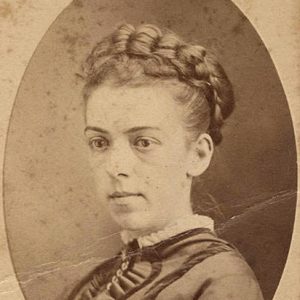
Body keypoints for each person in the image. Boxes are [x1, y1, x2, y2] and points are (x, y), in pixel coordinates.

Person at [68, 23, 264, 300]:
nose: (115, 167)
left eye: (143, 142)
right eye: (100, 142)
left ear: (198, 155)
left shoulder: (222, 280)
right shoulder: (92, 284)